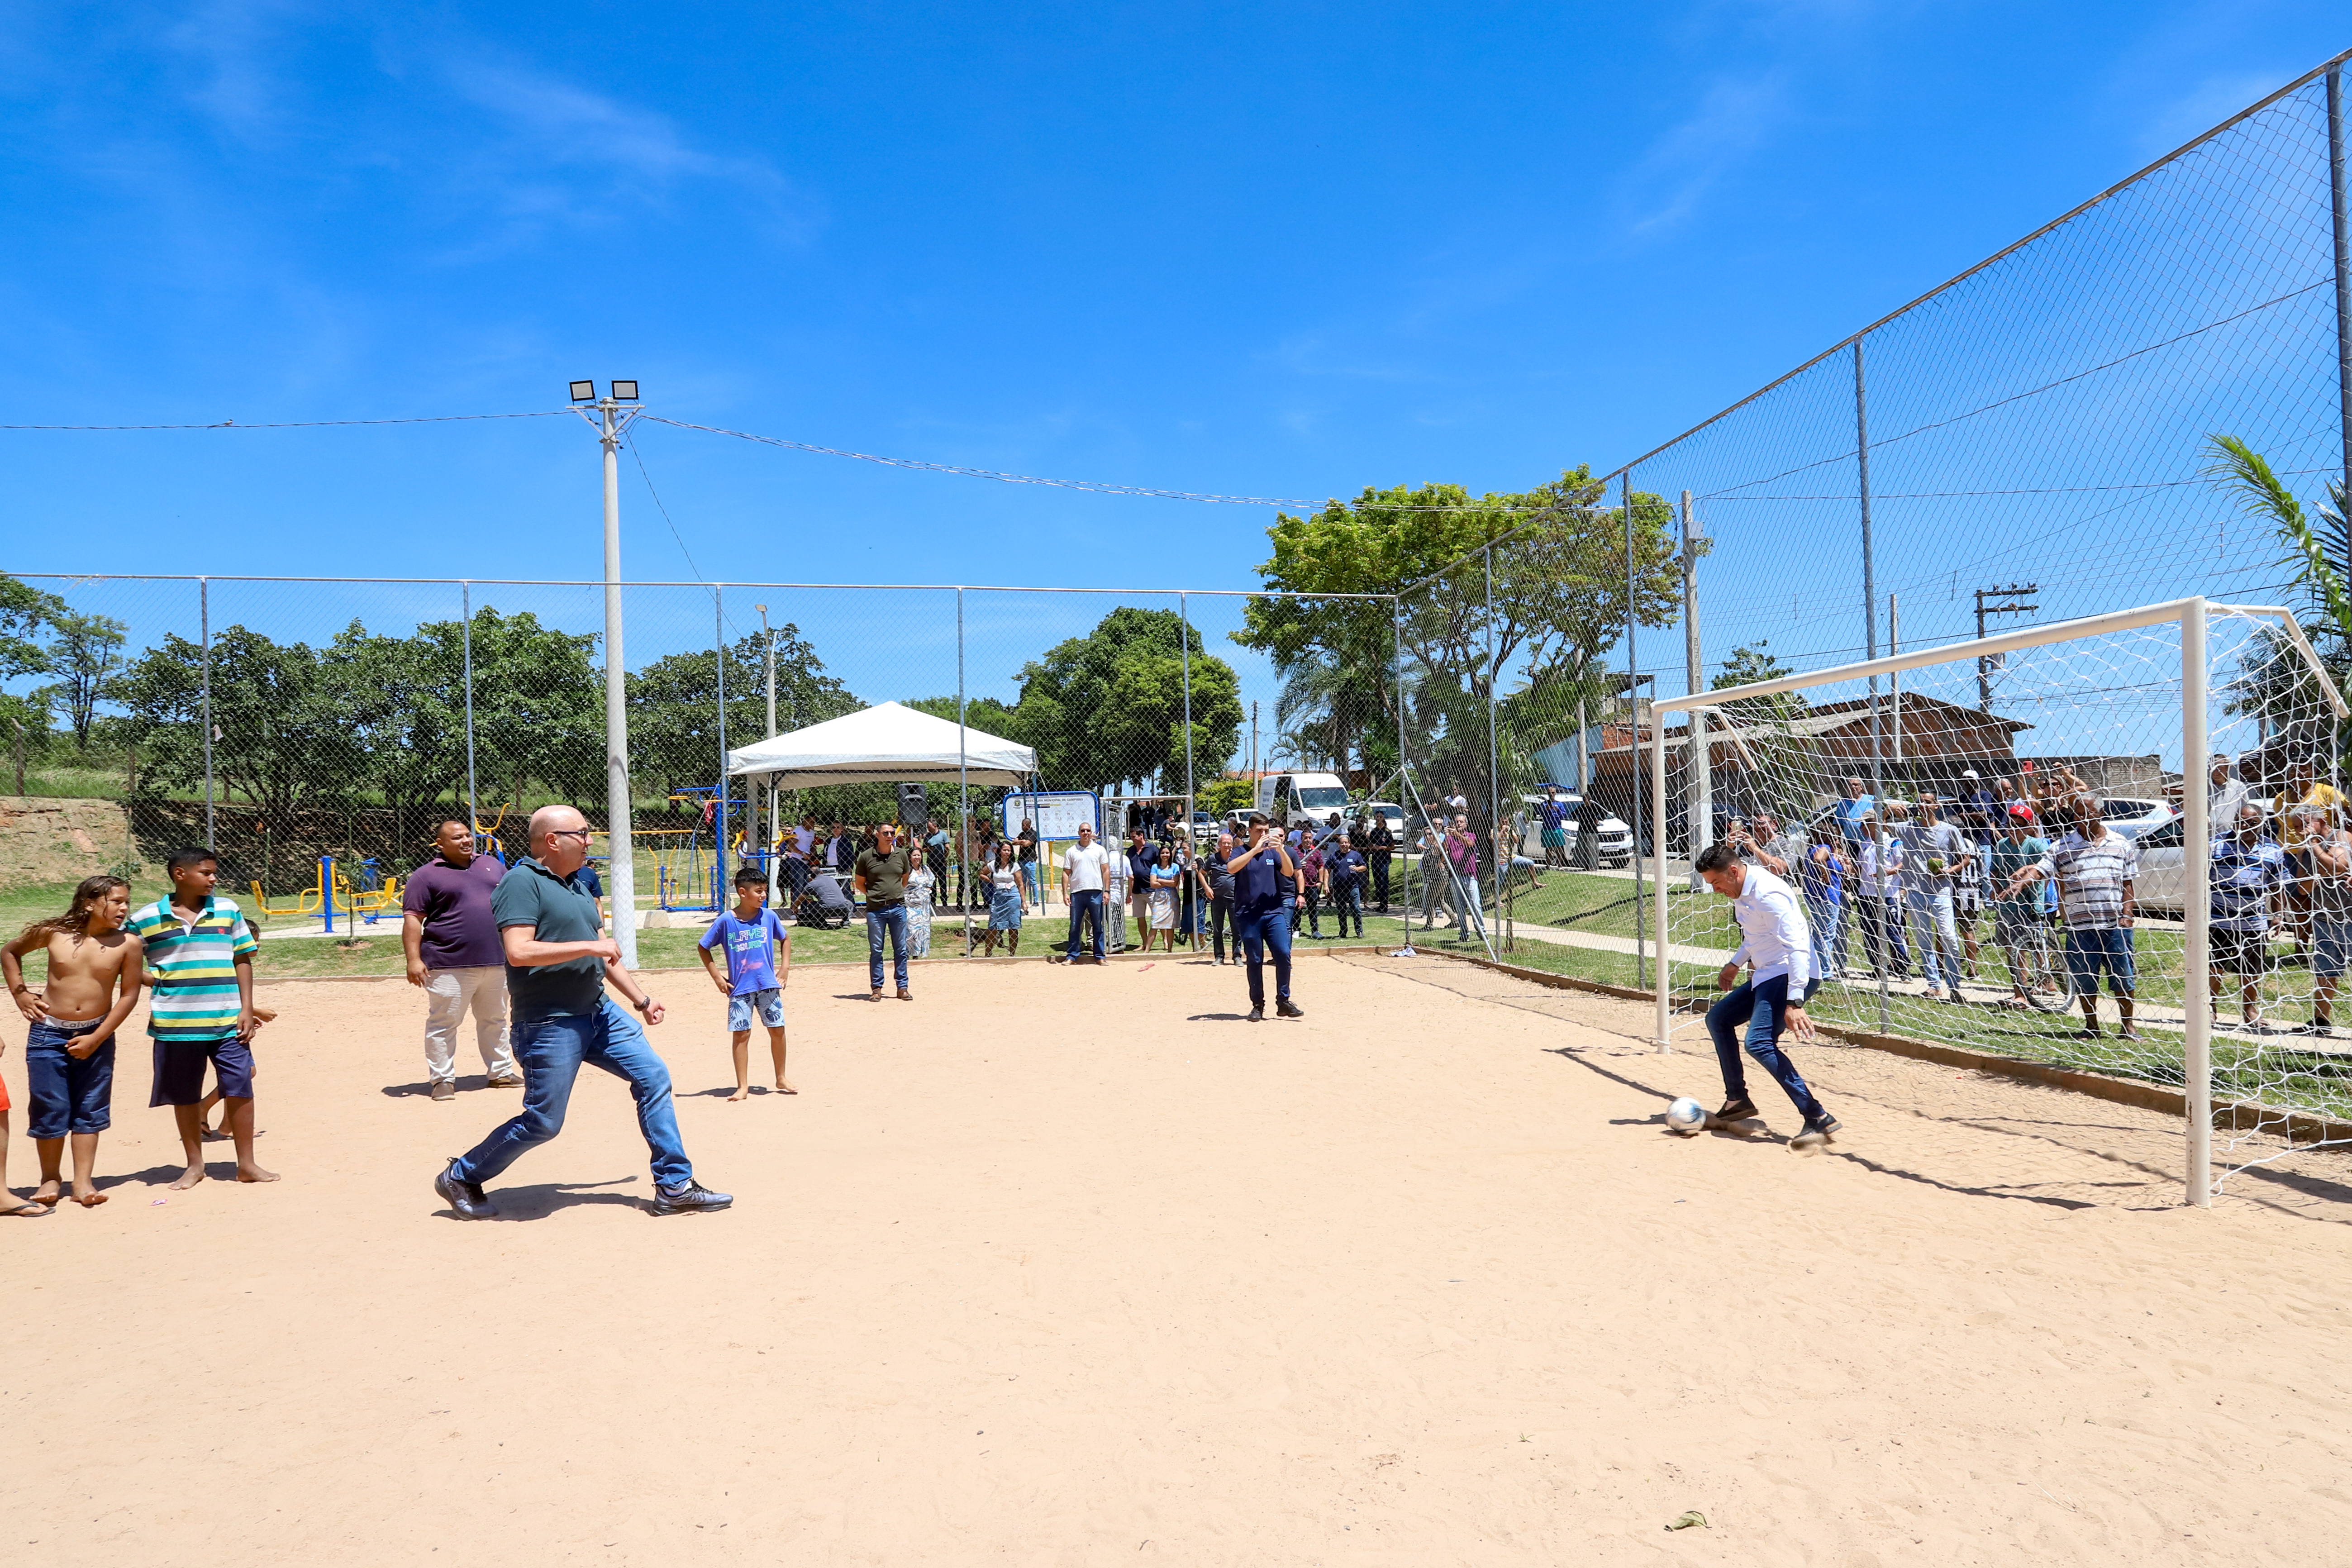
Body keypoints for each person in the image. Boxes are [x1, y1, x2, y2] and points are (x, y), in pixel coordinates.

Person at [433, 804, 728, 1220]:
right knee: (544, 1122)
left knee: (654, 1077)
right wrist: (592, 946)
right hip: (549, 1022)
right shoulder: (521, 882)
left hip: (600, 1012)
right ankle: (461, 1174)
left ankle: (674, 1185)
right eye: (583, 833)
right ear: (552, 841)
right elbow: (519, 951)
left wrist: (641, 1001)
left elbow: (607, 958)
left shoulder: (579, 885)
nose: (591, 840)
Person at [124, 847, 276, 1191]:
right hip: (176, 1025)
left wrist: (247, 1008)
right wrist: (162, 980)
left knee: (241, 1086)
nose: (213, 878)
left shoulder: (228, 910)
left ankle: (247, 1164)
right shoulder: (145, 919)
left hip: (227, 1021)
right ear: (180, 874)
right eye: (206, 873)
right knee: (185, 1095)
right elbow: (127, 964)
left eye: (214, 872)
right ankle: (194, 1165)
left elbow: (243, 959)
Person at [3, 875, 144, 1211]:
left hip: (97, 1034)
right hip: (47, 1034)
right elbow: (9, 952)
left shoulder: (129, 944)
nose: (124, 908)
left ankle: (83, 1181)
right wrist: (21, 993)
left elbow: (129, 995)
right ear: (89, 902)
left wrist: (98, 1037)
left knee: (91, 1106)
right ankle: (50, 1176)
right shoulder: (54, 934)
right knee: (50, 1104)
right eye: (116, 901)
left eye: (127, 902)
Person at [1695, 841, 1839, 1147]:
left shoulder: (1768, 894)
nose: (1716, 889)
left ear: (1733, 871)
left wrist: (1795, 1000)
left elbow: (1798, 945)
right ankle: (1737, 1100)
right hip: (1769, 973)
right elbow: (1757, 934)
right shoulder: (1742, 890)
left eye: (1717, 882)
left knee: (1758, 1042)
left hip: (1790, 972)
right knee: (1719, 1019)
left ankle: (1817, 1116)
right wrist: (1735, 963)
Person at [2000, 793, 2142, 1041]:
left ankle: (2128, 1027)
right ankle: (2091, 1027)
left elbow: (2128, 883)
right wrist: (2021, 884)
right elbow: (2041, 869)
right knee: (2085, 979)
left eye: (2087, 813)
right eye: (2077, 814)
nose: (2081, 819)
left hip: (2115, 925)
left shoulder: (2121, 844)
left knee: (2123, 977)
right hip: (2079, 926)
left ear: (2100, 814)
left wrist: (2127, 916)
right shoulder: (2062, 846)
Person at [401, 820, 523, 1103]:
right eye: (457, 838)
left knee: (495, 1020)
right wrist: (414, 960)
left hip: (496, 960)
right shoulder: (425, 876)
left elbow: (512, 903)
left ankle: (501, 1073)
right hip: (448, 964)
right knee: (444, 1023)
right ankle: (442, 1079)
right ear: (441, 845)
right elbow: (413, 920)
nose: (466, 841)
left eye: (468, 835)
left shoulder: (492, 865)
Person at [696, 866, 794, 1100]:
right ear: (742, 892)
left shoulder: (769, 916)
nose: (763, 896)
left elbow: (786, 939)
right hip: (740, 988)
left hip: (768, 985)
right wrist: (718, 977)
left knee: (778, 1031)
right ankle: (743, 1087)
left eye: (764, 891)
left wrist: (785, 969)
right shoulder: (726, 921)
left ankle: (781, 1077)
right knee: (742, 1034)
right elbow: (704, 947)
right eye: (758, 891)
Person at [2209, 801, 2288, 1033]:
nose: (2246, 826)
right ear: (2235, 822)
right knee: (2215, 966)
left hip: (2253, 921)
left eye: (2252, 823)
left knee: (2252, 969)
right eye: (2242, 822)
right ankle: (2210, 1008)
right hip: (2218, 919)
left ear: (2261, 823)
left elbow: (2278, 885)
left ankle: (2250, 1010)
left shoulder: (2272, 849)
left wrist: (2279, 914)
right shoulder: (2216, 845)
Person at [1226, 815, 1305, 1021]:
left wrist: (1279, 849)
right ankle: (1258, 1005)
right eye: (1259, 830)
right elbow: (1231, 868)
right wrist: (1255, 851)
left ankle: (1284, 1001)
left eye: (1266, 830)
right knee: (1255, 960)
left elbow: (1288, 872)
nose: (1264, 834)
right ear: (1250, 831)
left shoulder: (1273, 851)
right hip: (1249, 915)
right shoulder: (1241, 850)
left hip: (1273, 913)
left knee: (1283, 953)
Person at [1894, 797, 1968, 1002]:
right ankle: (1934, 985)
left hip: (1941, 891)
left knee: (1949, 936)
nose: (1924, 805)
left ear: (1937, 806)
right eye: (1920, 802)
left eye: (1928, 802)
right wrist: (1889, 808)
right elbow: (1877, 825)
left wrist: (1949, 871)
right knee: (1924, 939)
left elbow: (1966, 857)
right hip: (1915, 890)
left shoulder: (1949, 830)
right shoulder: (1907, 828)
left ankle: (1954, 985)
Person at [2274, 757, 2347, 954]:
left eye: (2304, 769)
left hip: (2326, 850)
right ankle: (2300, 949)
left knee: (2324, 901)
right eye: (2293, 770)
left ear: (2314, 771)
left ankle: (2332, 946)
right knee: (2299, 900)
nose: (2298, 774)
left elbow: (2346, 815)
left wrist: (2342, 841)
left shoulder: (2328, 792)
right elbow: (2281, 826)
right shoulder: (2281, 797)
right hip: (2292, 854)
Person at [1988, 805, 2053, 1009]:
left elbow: (2047, 867)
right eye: (2010, 825)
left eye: (2019, 825)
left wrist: (2025, 869)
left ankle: (2046, 980)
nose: (2013, 829)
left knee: (2035, 946)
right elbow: (1994, 871)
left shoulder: (2036, 845)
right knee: (2013, 949)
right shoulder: (2001, 844)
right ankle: (2020, 993)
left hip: (2030, 904)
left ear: (2027, 827)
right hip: (2008, 906)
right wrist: (1997, 890)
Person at [2299, 815, 2352, 1035]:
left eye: (2304, 824)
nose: (2300, 830)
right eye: (2295, 827)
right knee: (2325, 972)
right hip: (2324, 920)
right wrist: (2319, 873)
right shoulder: (2305, 849)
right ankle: (2321, 1022)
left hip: (2349, 918)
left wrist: (2314, 845)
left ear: (2320, 820)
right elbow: (2303, 888)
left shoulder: (2342, 838)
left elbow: (2339, 866)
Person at [855, 820, 917, 1002]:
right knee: (876, 950)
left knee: (901, 949)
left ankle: (902, 987)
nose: (890, 836)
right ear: (877, 835)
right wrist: (875, 896)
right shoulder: (867, 857)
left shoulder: (902, 855)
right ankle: (877, 988)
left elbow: (904, 880)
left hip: (898, 908)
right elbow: (859, 883)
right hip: (876, 911)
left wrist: (894, 894)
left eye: (892, 833)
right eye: (886, 833)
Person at [1852, 815, 1909, 979]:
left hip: (1888, 894)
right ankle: (1878, 968)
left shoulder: (1893, 842)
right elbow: (1861, 867)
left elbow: (1903, 863)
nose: (1862, 828)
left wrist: (1888, 872)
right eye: (1861, 824)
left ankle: (1902, 967)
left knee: (1893, 931)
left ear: (1875, 824)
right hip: (1866, 894)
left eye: (1865, 824)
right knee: (1870, 933)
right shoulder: (1864, 844)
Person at [1055, 822, 1112, 964]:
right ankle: (1072, 956)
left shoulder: (1099, 850)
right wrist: (1065, 893)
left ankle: (1099, 956)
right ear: (1079, 833)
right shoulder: (1071, 851)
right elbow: (1066, 873)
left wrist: (1107, 891)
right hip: (1077, 893)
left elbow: (1106, 871)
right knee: (1075, 926)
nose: (1086, 833)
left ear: (1091, 832)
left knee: (1098, 925)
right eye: (1083, 831)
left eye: (1088, 830)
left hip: (1096, 892)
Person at [1796, 837, 1846, 982]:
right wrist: (1826, 874)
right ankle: (1825, 972)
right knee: (1826, 936)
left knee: (1817, 935)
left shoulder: (1810, 849)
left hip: (1813, 897)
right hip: (1827, 898)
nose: (1837, 839)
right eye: (1835, 835)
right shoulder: (1824, 847)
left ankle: (1814, 968)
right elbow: (1819, 859)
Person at [976, 842, 1024, 957]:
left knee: (1013, 926)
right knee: (993, 926)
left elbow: (1021, 884)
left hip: (1013, 895)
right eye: (1005, 850)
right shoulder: (994, 865)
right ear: (1000, 851)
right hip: (999, 896)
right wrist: (991, 881)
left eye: (1009, 850)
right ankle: (988, 953)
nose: (1007, 852)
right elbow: (981, 873)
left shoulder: (1015, 866)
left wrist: (1024, 902)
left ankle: (1012, 953)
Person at [1444, 814, 1484, 945]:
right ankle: (1464, 933)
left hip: (1469, 875)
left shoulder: (1471, 835)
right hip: (1455, 876)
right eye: (1457, 822)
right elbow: (1444, 851)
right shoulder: (1451, 838)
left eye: (1461, 822)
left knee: (1475, 904)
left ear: (1466, 824)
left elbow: (1470, 844)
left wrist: (1457, 835)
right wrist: (1447, 836)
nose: (1459, 824)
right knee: (1460, 907)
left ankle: (1481, 931)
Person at [1199, 830, 1238, 963]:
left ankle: (1237, 956)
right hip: (1217, 898)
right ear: (1219, 845)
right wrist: (1207, 887)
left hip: (1234, 898)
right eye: (1224, 843)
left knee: (1236, 928)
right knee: (1217, 929)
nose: (1227, 845)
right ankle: (1219, 957)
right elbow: (1201, 873)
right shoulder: (1213, 859)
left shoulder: (1236, 858)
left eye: (1229, 843)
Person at [1325, 832, 1366, 939]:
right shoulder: (1334, 856)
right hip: (1339, 888)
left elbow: (1364, 867)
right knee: (1341, 911)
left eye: (1346, 843)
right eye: (1342, 843)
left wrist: (1357, 869)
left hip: (1353, 887)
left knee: (1356, 909)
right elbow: (1327, 869)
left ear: (1350, 844)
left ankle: (1359, 931)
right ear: (1339, 844)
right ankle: (1343, 932)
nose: (1344, 844)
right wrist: (1326, 885)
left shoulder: (1355, 855)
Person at [1144, 844, 1181, 953]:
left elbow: (1175, 883)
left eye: (1167, 853)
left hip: (1172, 899)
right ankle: (1147, 950)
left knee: (1170, 926)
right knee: (1155, 924)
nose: (1165, 855)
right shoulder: (1155, 867)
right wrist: (1167, 882)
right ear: (1160, 855)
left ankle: (1170, 950)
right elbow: (1153, 884)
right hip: (1159, 898)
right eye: (1163, 853)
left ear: (1170, 854)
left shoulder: (1175, 867)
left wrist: (1160, 880)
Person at [905, 850, 937, 960]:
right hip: (911, 904)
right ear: (910, 857)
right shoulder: (907, 870)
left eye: (919, 855)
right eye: (914, 855)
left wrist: (928, 888)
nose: (917, 857)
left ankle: (917, 954)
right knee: (912, 929)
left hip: (924, 906)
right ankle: (907, 952)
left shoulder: (926, 869)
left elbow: (932, 878)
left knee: (922, 930)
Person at [1105, 829, 1132, 954]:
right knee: (1118, 919)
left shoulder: (1105, 859)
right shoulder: (1124, 858)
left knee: (1108, 919)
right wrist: (1129, 894)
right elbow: (1131, 877)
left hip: (1107, 892)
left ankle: (1110, 941)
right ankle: (1118, 942)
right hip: (1120, 891)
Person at [1296, 832, 1326, 939]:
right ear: (1302, 839)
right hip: (1298, 886)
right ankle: (1296, 929)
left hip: (1312, 885)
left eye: (1310, 838)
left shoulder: (1316, 851)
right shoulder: (1295, 851)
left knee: (1313, 909)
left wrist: (1321, 881)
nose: (1308, 840)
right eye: (1306, 838)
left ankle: (1315, 930)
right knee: (1297, 909)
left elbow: (1321, 867)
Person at [1363, 813, 1395, 911]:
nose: (1378, 819)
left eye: (1381, 817)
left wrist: (1382, 848)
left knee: (1384, 881)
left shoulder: (1387, 832)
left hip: (1384, 859)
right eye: (1377, 817)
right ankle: (1381, 904)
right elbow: (1370, 845)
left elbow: (1392, 846)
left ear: (1383, 818)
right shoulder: (1374, 832)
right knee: (1377, 882)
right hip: (1376, 858)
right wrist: (1372, 848)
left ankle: (1385, 905)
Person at [1835, 776, 1876, 849]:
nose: (1853, 787)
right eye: (1850, 785)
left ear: (1861, 787)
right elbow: (1838, 825)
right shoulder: (1843, 804)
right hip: (1852, 844)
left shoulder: (1872, 800)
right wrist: (1838, 842)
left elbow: (1882, 819)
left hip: (1870, 842)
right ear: (1847, 788)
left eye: (1856, 785)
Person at [785, 815, 816, 905]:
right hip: (797, 860)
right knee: (799, 885)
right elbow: (791, 845)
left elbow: (812, 845)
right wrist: (802, 854)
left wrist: (812, 853)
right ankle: (795, 908)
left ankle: (804, 909)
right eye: (811, 822)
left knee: (806, 886)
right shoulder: (799, 830)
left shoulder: (812, 833)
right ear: (805, 821)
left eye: (814, 822)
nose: (813, 824)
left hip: (806, 862)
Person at [1538, 786, 1572, 869]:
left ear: (1556, 793)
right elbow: (1540, 814)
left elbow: (1564, 815)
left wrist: (1557, 810)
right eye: (1549, 793)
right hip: (1547, 828)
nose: (1551, 795)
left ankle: (1560, 864)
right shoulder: (1544, 804)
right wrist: (1546, 810)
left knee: (1559, 846)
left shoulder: (1560, 804)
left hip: (1557, 827)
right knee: (1549, 847)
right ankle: (1548, 864)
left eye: (1553, 793)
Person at [1014, 818, 1041, 908]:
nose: (1022, 827)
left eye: (1024, 825)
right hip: (1021, 860)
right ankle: (1023, 901)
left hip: (1030, 860)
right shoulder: (1022, 834)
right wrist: (1021, 842)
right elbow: (1014, 842)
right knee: (1023, 882)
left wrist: (1021, 842)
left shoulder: (1033, 834)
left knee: (1032, 881)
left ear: (1028, 825)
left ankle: (1036, 901)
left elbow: (1027, 844)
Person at [1572, 791, 1602, 870]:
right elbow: (1573, 815)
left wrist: (1598, 820)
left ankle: (1593, 866)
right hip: (1583, 830)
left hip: (1592, 831)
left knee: (1592, 849)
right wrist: (1578, 820)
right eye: (1585, 799)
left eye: (1588, 799)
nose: (1587, 800)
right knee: (1584, 849)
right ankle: (1585, 866)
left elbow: (1603, 814)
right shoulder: (1581, 808)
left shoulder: (1595, 808)